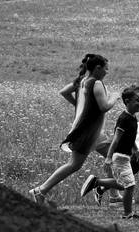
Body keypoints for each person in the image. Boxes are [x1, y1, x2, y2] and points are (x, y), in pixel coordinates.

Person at [30, 54, 116, 205]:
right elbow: (104, 107)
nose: (107, 72)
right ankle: (40, 190)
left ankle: (115, 195)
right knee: (74, 165)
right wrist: (114, 98)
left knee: (114, 158)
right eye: (106, 68)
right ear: (97, 68)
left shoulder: (81, 81)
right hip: (87, 132)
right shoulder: (96, 83)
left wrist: (81, 107)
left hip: (94, 132)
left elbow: (64, 92)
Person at [80, 85, 139, 220]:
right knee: (130, 185)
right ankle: (128, 214)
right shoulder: (124, 118)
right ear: (127, 101)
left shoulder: (133, 118)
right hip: (119, 156)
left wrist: (136, 150)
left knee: (123, 184)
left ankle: (97, 182)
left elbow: (130, 137)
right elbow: (116, 139)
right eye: (138, 100)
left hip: (125, 156)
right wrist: (108, 157)